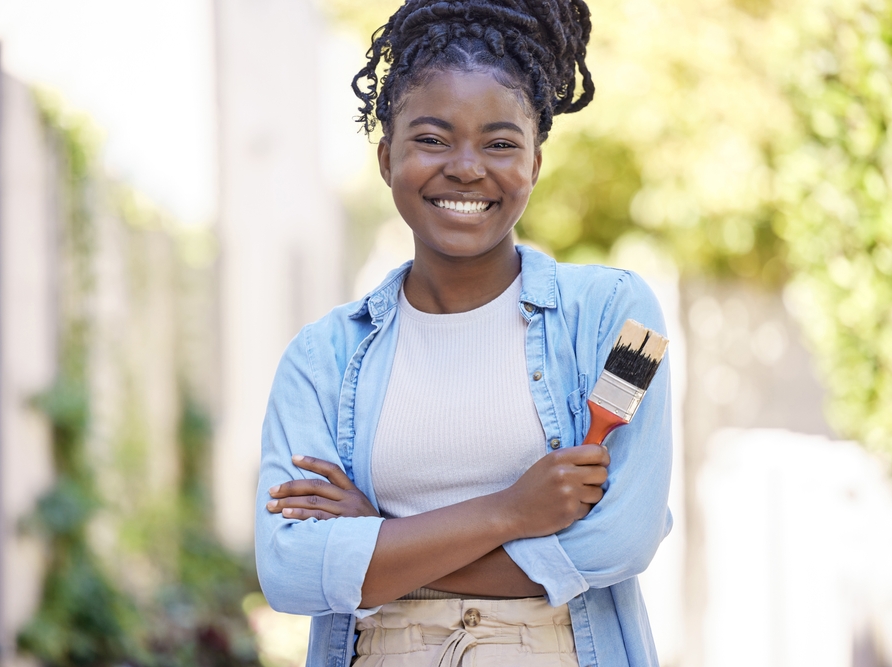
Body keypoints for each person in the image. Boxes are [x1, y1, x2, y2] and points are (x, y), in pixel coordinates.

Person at [255, 1, 672, 665]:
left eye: (501, 142)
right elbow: (291, 571)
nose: (468, 167)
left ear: (535, 162)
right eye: (432, 138)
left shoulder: (613, 313)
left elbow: (620, 543)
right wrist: (510, 511)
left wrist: (378, 539)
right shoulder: (321, 358)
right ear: (387, 156)